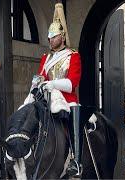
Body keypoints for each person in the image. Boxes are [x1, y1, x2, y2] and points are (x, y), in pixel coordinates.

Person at [25, 3, 82, 177]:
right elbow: (41, 76)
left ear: (62, 37)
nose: (50, 39)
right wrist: (35, 87)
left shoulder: (73, 56)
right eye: (49, 36)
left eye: (54, 36)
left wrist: (53, 84)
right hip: (48, 98)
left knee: (73, 116)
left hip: (67, 99)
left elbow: (72, 83)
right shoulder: (46, 58)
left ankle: (76, 160)